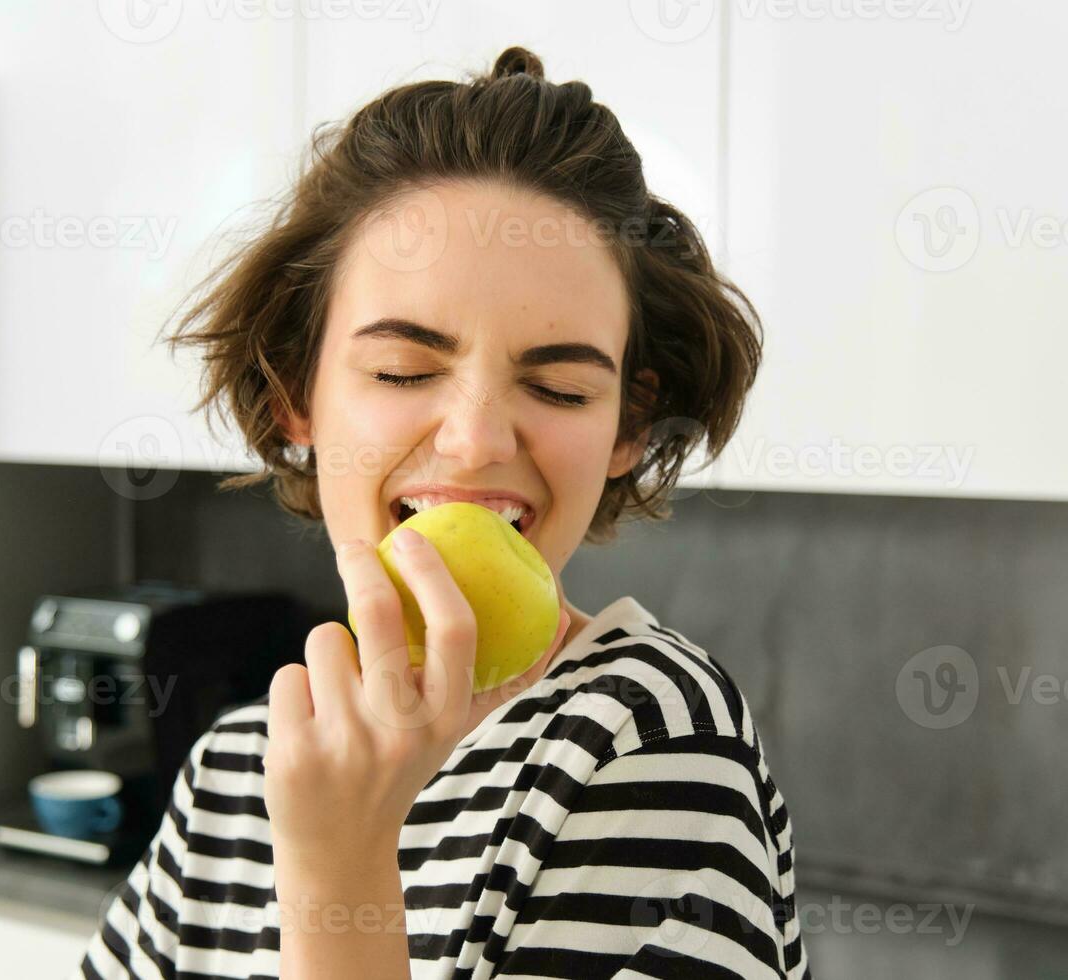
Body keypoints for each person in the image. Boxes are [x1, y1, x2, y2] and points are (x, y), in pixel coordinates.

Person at [78, 45, 810, 980]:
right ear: (293, 393)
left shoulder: (649, 739)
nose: (474, 441)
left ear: (628, 426)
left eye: (557, 386)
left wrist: (339, 866)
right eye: (404, 371)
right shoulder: (238, 761)